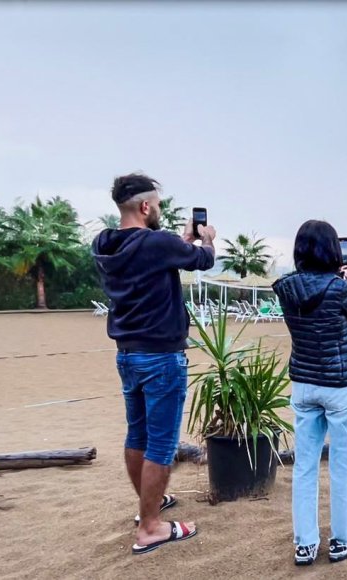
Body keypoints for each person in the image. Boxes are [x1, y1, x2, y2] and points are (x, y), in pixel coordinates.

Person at [92, 172, 216, 555]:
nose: (158, 210)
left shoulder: (105, 244)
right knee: (160, 443)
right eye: (157, 204)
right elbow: (202, 261)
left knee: (138, 436)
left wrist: (179, 239)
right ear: (145, 206)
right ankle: (150, 527)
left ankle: (149, 506)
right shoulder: (157, 243)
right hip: (161, 355)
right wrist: (207, 240)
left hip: (127, 353)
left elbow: (154, 254)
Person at [272, 220, 347, 566]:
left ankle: (305, 544)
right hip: (342, 386)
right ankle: (342, 540)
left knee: (304, 465)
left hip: (304, 383)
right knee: (343, 465)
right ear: (334, 251)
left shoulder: (287, 289)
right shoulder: (340, 288)